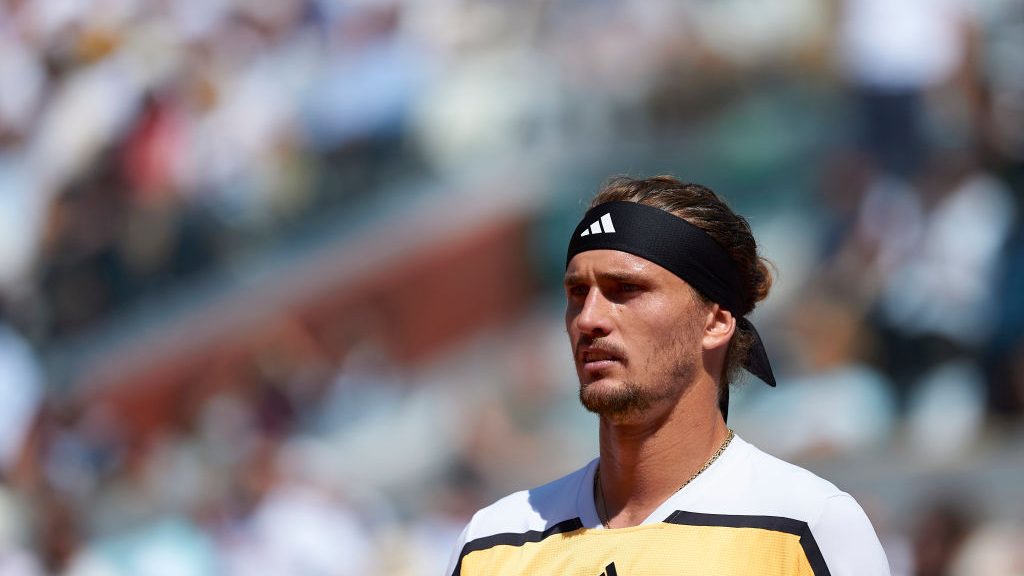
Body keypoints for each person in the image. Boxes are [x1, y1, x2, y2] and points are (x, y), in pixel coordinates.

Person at [445, 176, 890, 575]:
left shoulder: (805, 527)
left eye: (627, 290)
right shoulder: (491, 543)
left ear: (715, 322)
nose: (589, 318)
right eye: (578, 292)